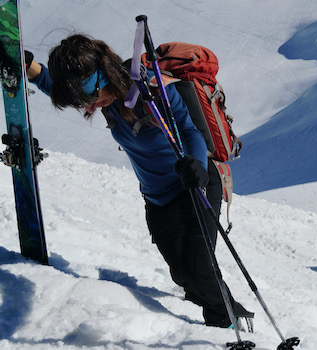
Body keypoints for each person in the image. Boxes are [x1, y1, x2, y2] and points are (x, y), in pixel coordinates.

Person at [25, 34, 252, 327]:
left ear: (103, 76)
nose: (90, 107)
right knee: (183, 274)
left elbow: (190, 130)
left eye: (91, 98)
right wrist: (28, 64)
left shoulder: (153, 91)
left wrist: (195, 165)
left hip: (194, 183)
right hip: (157, 198)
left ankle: (226, 324)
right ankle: (204, 296)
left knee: (199, 271)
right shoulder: (103, 99)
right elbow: (54, 87)